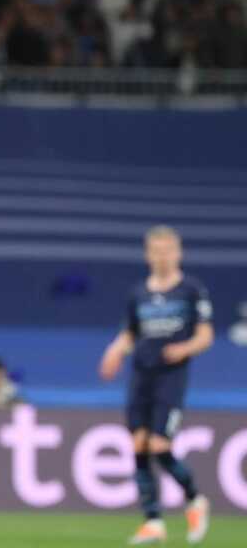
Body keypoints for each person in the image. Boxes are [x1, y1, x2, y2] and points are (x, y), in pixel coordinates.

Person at [99, 225, 213, 545]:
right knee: (137, 445)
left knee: (159, 446)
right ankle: (153, 521)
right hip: (141, 374)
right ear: (148, 255)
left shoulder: (191, 290)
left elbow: (206, 335)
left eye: (168, 251)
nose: (162, 258)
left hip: (170, 378)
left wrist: (185, 348)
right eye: (156, 252)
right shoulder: (138, 293)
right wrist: (114, 351)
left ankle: (195, 499)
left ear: (178, 253)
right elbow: (130, 333)